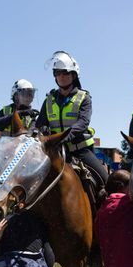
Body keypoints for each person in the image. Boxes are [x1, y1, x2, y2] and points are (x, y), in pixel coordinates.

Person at [37, 50, 108, 182]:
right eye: (58, 73)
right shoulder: (48, 100)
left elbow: (83, 122)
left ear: (74, 75)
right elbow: (40, 124)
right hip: (53, 151)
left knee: (105, 179)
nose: (61, 76)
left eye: (65, 73)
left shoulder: (84, 98)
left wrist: (64, 137)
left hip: (80, 150)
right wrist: (43, 129)